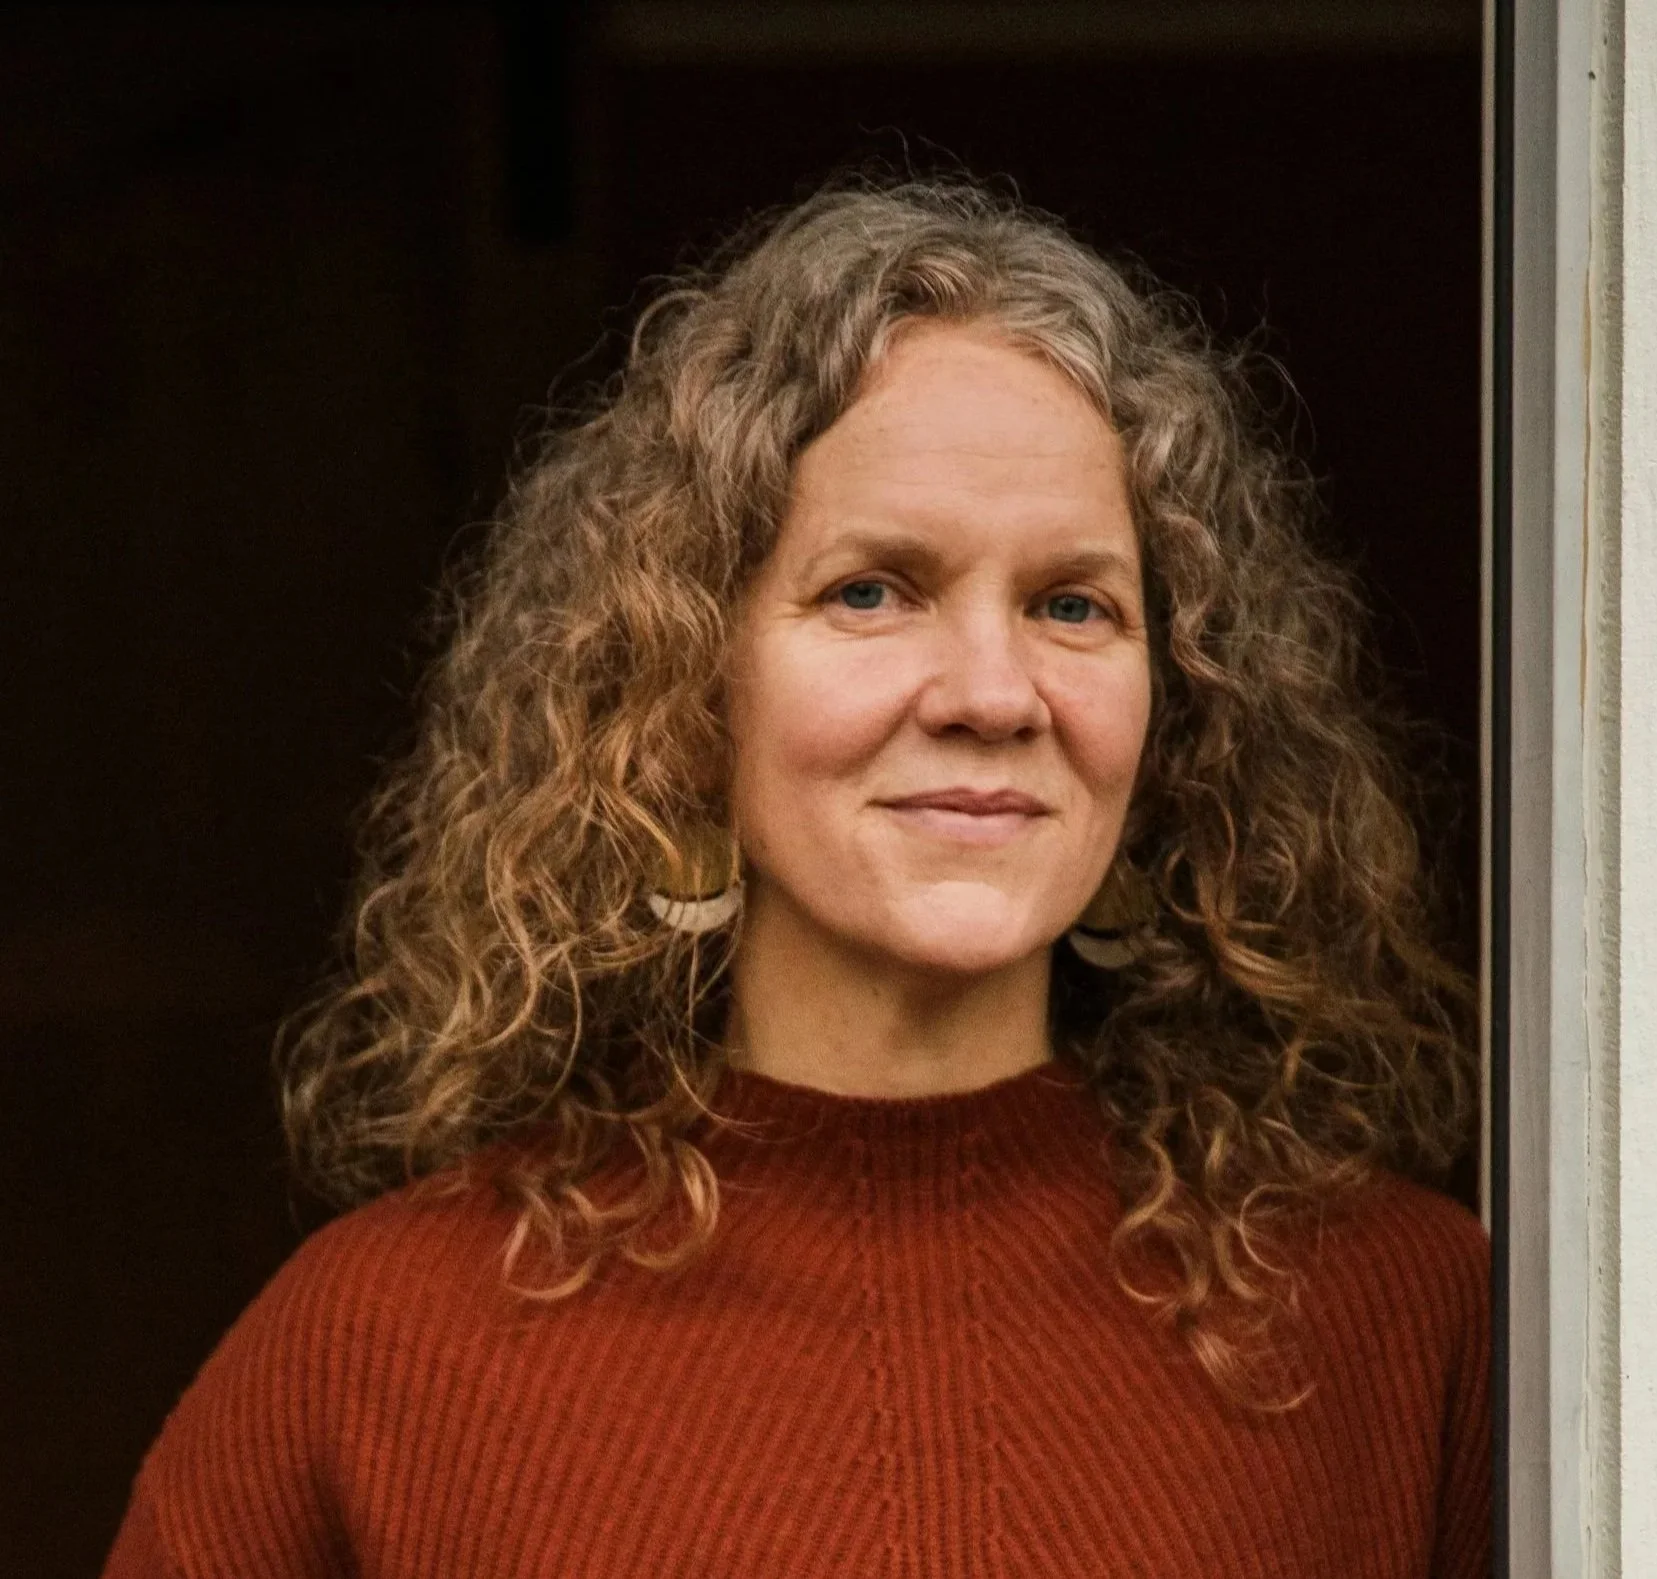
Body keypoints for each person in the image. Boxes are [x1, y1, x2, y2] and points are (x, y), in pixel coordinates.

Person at [102, 177, 1488, 1579]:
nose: (991, 691)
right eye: (872, 589)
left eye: (1072, 603)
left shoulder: (1401, 1326)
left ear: (1173, 708)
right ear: (686, 686)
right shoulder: (378, 1349)